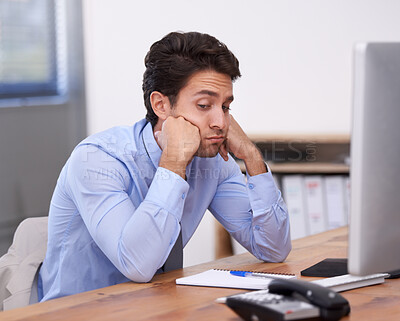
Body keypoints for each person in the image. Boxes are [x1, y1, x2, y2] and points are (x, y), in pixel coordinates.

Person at [38, 31, 291, 301]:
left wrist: (252, 156)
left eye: (226, 106)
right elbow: (138, 265)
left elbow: (273, 250)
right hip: (76, 312)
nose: (221, 121)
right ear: (160, 104)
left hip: (155, 307)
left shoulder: (213, 162)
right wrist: (174, 161)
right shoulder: (98, 159)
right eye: (204, 105)